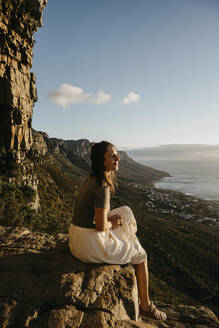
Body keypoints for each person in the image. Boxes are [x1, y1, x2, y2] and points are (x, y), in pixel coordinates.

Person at [69, 141, 166, 321]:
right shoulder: (102, 185)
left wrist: (111, 221)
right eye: (112, 155)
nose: (117, 158)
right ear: (101, 161)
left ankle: (129, 242)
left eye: (117, 154)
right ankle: (145, 306)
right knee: (142, 257)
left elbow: (92, 217)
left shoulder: (91, 178)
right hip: (88, 245)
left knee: (125, 211)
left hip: (76, 238)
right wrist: (112, 223)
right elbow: (100, 226)